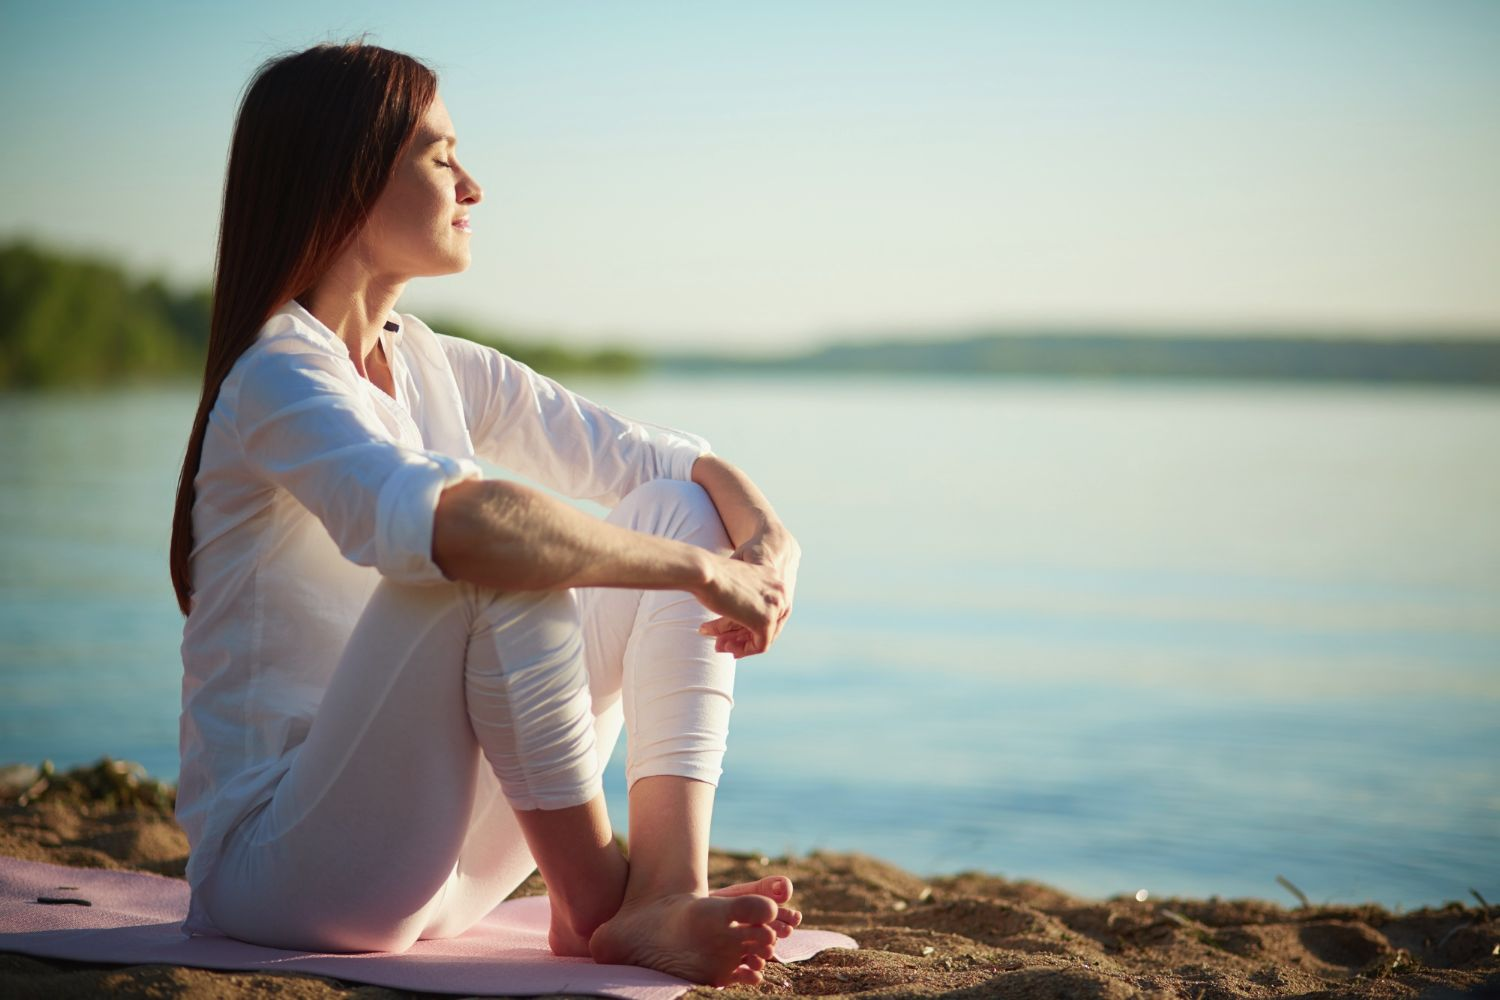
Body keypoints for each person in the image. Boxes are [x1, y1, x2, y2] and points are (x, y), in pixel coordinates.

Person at [167, 38, 803, 988]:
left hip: (447, 868)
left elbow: (670, 461)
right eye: (439, 155)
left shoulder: (431, 360)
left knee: (672, 508)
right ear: (346, 180)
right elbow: (461, 527)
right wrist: (703, 574)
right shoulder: (279, 376)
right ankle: (595, 903)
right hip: (285, 872)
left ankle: (661, 891)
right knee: (487, 553)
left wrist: (766, 539)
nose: (471, 184)